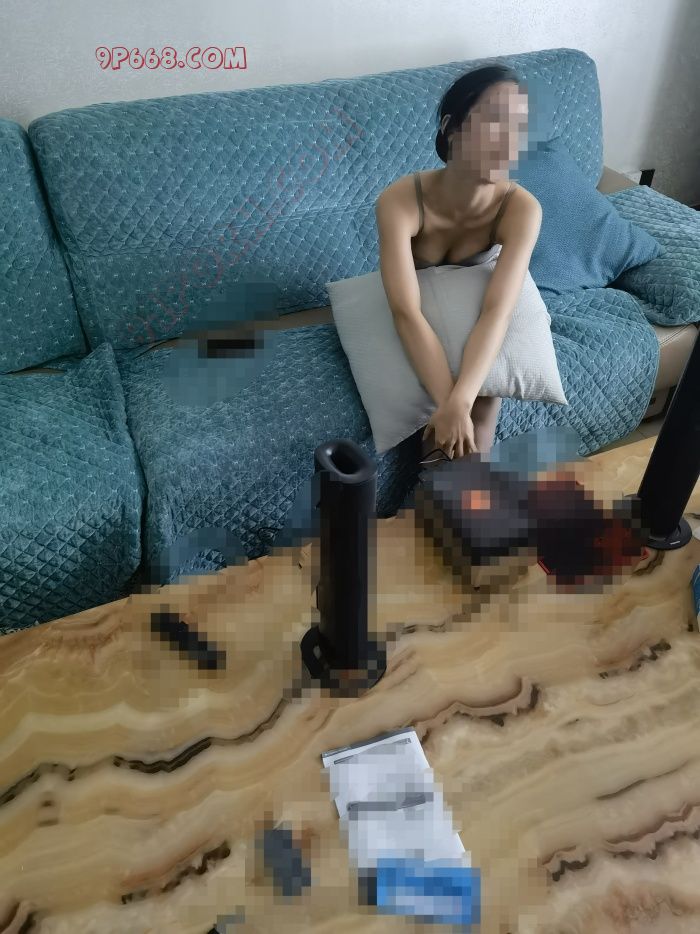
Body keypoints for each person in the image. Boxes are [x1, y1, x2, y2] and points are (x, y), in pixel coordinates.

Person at [374, 64, 542, 464]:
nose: (509, 141)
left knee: (479, 414)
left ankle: (458, 495)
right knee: (444, 420)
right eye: (496, 120)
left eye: (518, 127)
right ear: (451, 127)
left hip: (478, 311)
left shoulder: (521, 209)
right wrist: (446, 403)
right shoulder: (400, 201)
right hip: (418, 313)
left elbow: (497, 312)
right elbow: (405, 311)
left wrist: (460, 402)